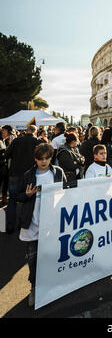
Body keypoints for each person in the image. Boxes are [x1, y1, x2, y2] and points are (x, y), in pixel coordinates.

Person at [16, 143, 66, 307]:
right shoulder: (28, 174)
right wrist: (27, 194)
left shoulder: (58, 172)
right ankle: (34, 287)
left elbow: (66, 192)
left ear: (51, 158)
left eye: (47, 158)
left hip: (52, 223)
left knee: (51, 256)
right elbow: (18, 196)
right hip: (32, 222)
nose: (44, 162)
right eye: (40, 159)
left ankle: (49, 286)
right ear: (35, 159)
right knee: (33, 258)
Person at [4, 125, 42, 233]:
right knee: (27, 199)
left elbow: (6, 155)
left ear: (26, 131)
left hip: (15, 173)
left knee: (12, 200)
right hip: (29, 175)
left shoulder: (17, 140)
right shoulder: (38, 142)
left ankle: (10, 226)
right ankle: (22, 224)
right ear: (35, 132)